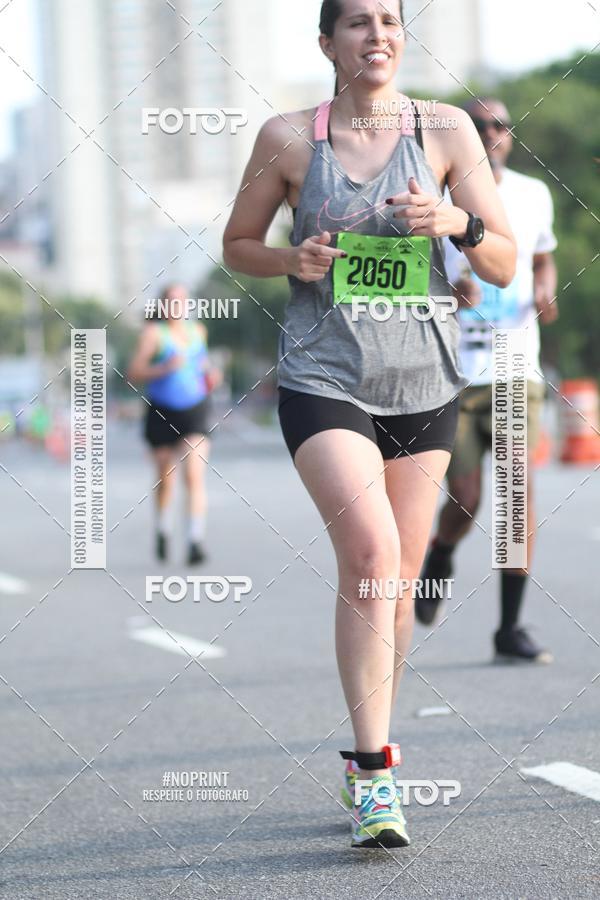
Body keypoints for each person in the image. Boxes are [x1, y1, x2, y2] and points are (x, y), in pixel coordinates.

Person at [223, 0, 515, 849]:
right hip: (325, 377)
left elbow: (499, 255)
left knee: (397, 583)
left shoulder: (449, 129)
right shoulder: (288, 140)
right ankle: (378, 776)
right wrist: (292, 258)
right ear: (327, 43)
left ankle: (368, 750)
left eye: (389, 20)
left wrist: (455, 223)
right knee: (372, 556)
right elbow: (238, 242)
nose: (377, 34)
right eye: (357, 22)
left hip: (425, 383)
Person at [418, 98, 558, 665]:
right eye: (478, 127)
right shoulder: (438, 195)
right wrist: (449, 294)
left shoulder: (533, 193)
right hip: (454, 373)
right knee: (467, 502)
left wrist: (546, 286)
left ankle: (509, 627)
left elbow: (542, 256)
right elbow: (412, 281)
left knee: (515, 499)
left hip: (514, 366)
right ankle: (440, 554)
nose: (491, 133)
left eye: (500, 125)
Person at [127, 283, 222, 565]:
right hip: (161, 412)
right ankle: (163, 529)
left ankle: (195, 540)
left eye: (182, 301)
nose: (178, 306)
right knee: (165, 478)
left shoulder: (198, 331)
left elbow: (202, 365)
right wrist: (163, 368)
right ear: (163, 305)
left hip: (195, 410)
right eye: (172, 301)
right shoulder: (154, 334)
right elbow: (133, 373)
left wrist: (211, 376)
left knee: (193, 475)